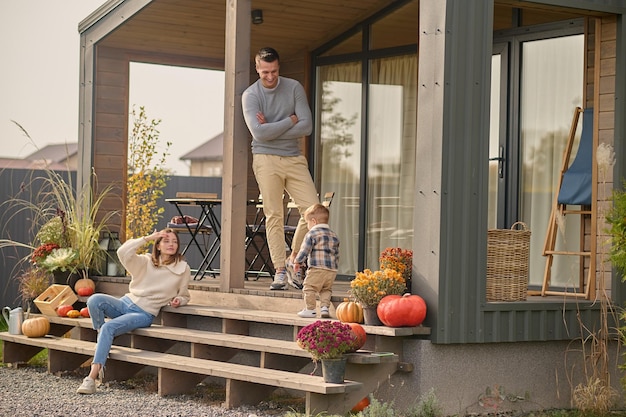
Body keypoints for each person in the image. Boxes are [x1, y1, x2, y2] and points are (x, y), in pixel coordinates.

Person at [242, 46, 320, 291]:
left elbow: (307, 127)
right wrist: (290, 120)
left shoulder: (294, 87)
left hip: (294, 158)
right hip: (265, 159)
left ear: (279, 67)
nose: (270, 76)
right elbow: (258, 133)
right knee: (274, 214)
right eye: (265, 72)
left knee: (314, 212)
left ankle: (294, 258)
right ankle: (278, 271)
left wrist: (272, 128)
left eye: (274, 71)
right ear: (257, 68)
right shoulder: (251, 95)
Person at [77, 228, 191, 394]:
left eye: (174, 241)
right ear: (157, 245)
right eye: (166, 241)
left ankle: (91, 378)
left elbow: (184, 295)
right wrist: (147, 238)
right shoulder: (145, 262)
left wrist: (178, 301)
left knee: (109, 328)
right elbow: (122, 251)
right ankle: (102, 339)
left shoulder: (182, 268)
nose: (171, 244)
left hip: (143, 313)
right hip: (125, 303)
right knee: (94, 300)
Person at [292, 204, 339, 318]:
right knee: (326, 289)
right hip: (331, 270)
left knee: (308, 287)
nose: (308, 226)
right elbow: (336, 253)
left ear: (313, 221)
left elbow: (305, 250)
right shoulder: (334, 235)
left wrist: (297, 261)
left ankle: (310, 309)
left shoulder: (312, 234)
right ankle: (324, 308)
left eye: (307, 223)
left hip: (317, 268)